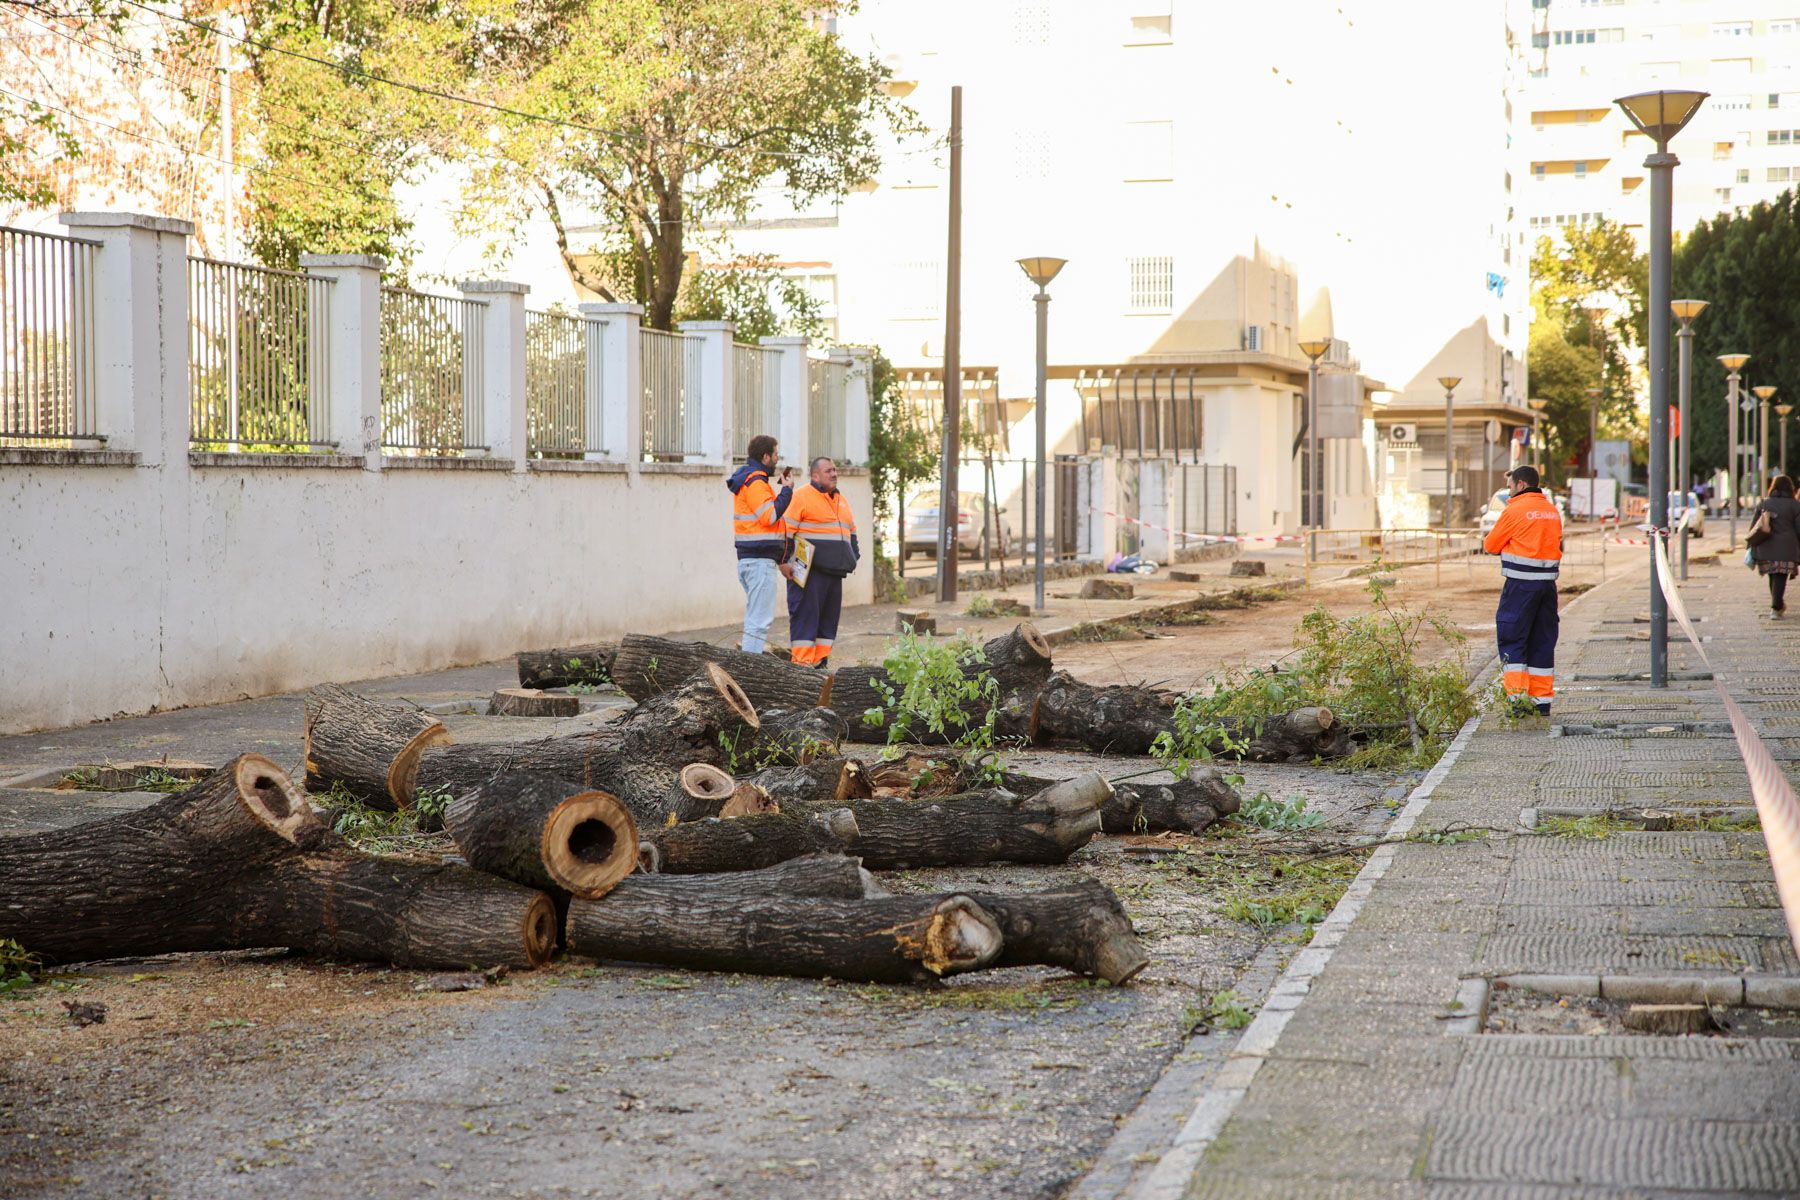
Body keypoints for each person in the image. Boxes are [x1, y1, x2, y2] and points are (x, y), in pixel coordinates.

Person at [1483, 464, 1563, 717]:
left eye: (1510, 487)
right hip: (1547, 588)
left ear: (1521, 484)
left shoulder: (1514, 510)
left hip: (1519, 586)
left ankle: (1517, 703)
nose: (1509, 492)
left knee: (1513, 639)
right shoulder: (1552, 512)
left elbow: (1490, 545)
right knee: (1542, 640)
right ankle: (1541, 703)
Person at [783, 456, 859, 668]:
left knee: (828, 625)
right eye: (828, 471)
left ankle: (820, 664)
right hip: (808, 573)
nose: (834, 474)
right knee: (805, 621)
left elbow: (852, 531)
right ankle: (801, 667)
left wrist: (853, 557)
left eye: (835, 470)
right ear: (815, 475)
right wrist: (783, 563)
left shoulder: (841, 500)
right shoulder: (801, 497)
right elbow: (785, 532)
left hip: (835, 573)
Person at [726, 434, 794, 653]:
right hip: (759, 564)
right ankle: (750, 671)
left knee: (755, 620)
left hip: (754, 562)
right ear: (765, 456)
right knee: (759, 623)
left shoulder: (752, 480)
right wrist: (787, 491)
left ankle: (748, 667)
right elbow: (770, 516)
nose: (777, 459)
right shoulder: (755, 481)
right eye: (775, 454)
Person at [1748, 474, 1800, 617]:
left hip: (1765, 547)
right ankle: (1776, 606)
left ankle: (1777, 605)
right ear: (1791, 488)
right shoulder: (1795, 505)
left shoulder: (1764, 503)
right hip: (1787, 547)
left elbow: (1753, 527)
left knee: (1773, 575)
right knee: (1780, 576)